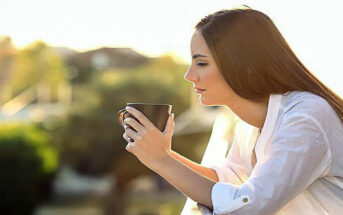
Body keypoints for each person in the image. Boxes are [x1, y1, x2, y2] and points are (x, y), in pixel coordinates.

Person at [121, 7, 343, 215]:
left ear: (242, 64)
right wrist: (160, 154)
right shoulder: (249, 124)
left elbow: (250, 205)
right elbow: (227, 180)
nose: (189, 75)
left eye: (202, 63)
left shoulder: (306, 117)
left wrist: (161, 160)